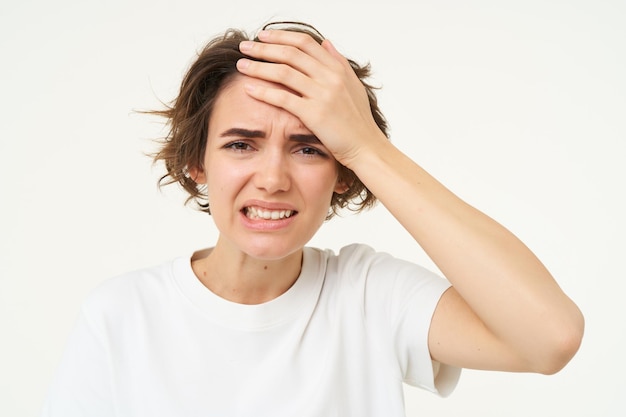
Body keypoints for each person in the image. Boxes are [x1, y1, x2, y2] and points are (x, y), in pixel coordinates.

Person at [41, 21, 584, 416]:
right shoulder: (121, 316)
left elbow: (550, 336)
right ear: (196, 163)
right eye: (241, 144)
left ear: (342, 172)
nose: (273, 178)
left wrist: (368, 146)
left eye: (308, 149)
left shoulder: (371, 295)